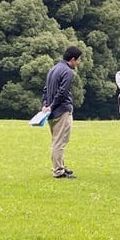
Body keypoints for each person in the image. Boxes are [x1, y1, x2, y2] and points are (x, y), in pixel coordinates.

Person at [41, 45, 83, 179]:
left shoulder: (53, 69)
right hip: (61, 110)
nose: (79, 62)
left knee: (57, 139)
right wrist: (52, 105)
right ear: (73, 59)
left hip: (51, 112)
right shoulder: (68, 72)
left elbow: (46, 90)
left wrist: (45, 105)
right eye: (78, 60)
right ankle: (58, 170)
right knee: (60, 141)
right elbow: (62, 92)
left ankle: (61, 166)